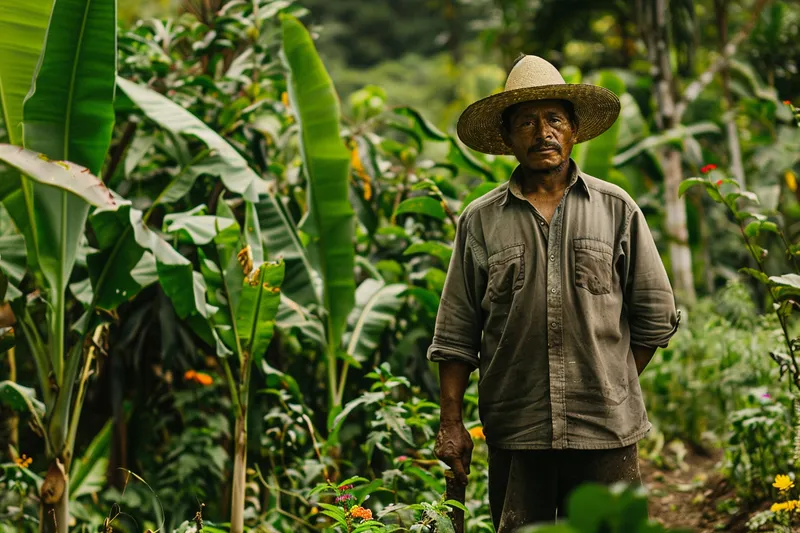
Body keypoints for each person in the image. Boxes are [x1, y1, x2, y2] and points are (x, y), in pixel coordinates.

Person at [428, 54, 680, 531]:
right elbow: (457, 332)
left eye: (554, 119)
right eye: (526, 122)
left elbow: (654, 317)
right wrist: (451, 423)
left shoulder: (616, 209)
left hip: (606, 431)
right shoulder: (480, 221)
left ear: (574, 130)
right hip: (517, 431)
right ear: (507, 137)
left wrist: (609, 381)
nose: (542, 132)